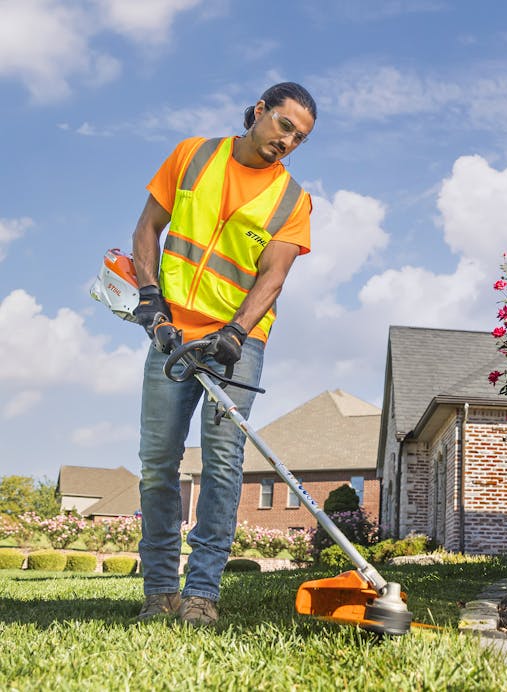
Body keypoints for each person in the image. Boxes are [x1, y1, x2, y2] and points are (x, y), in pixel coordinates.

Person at [130, 82, 316, 625]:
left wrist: (235, 333)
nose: (288, 142)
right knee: (158, 462)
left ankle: (201, 595)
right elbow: (148, 228)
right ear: (259, 111)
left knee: (222, 463)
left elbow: (273, 277)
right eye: (284, 126)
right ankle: (161, 591)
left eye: (300, 138)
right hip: (172, 332)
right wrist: (149, 297)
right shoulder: (192, 155)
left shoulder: (292, 200)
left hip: (236, 342)